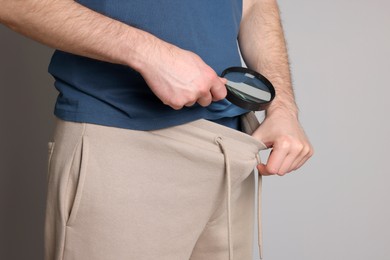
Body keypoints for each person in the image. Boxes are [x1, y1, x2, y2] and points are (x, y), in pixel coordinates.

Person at [0, 0, 313, 259]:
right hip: (124, 142)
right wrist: (147, 52)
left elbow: (254, 3)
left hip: (233, 147)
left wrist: (283, 106)